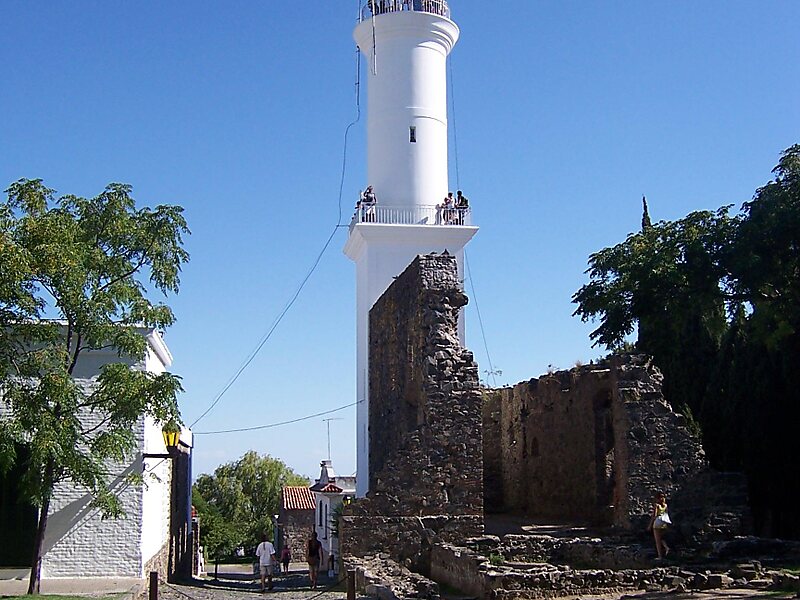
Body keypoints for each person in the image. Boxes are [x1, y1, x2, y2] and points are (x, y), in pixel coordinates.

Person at [647, 491, 671, 560]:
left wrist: (650, 525)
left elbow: (654, 516)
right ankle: (666, 547)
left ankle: (660, 556)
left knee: (657, 540)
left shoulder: (657, 505)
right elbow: (666, 514)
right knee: (662, 537)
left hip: (657, 522)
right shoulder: (665, 505)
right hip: (663, 522)